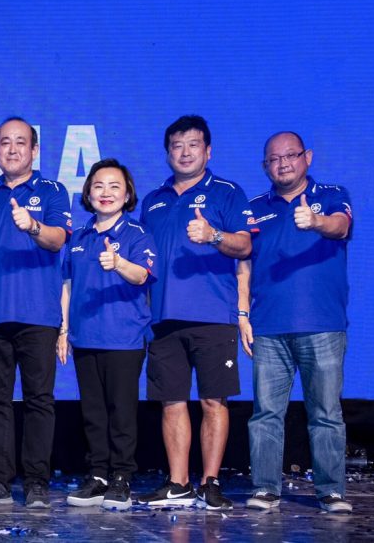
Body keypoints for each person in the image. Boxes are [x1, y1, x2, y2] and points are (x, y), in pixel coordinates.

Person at [137, 115, 253, 511]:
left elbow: (245, 246)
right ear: (167, 152)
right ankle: (178, 483)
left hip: (213, 316)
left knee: (212, 401)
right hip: (163, 317)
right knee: (171, 401)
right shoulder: (153, 200)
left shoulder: (227, 192)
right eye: (177, 146)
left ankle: (211, 483)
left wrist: (213, 235)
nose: (185, 152)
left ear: (208, 151)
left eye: (193, 145)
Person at [0, 117, 71, 509]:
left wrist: (33, 225)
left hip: (38, 315)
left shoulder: (52, 191)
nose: (12, 149)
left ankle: (37, 483)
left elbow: (57, 240)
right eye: (4, 142)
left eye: (20, 142)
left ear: (34, 150)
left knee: (39, 400)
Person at [241, 132, 354, 514]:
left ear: (308, 157)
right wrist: (243, 315)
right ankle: (265, 488)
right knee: (265, 415)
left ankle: (331, 491)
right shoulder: (254, 208)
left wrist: (316, 221)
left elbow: (340, 226)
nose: (283, 164)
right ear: (265, 166)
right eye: (274, 159)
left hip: (323, 325)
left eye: (290, 156)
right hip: (268, 327)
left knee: (325, 414)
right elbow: (243, 265)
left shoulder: (332, 195)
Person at [60, 159, 156, 511]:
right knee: (93, 412)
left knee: (121, 412)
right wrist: (63, 330)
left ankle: (121, 477)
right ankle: (98, 475)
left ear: (127, 194)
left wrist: (118, 263)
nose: (106, 193)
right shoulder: (79, 237)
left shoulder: (137, 234)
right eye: (98, 186)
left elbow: (142, 275)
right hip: (85, 337)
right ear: (88, 193)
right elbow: (67, 285)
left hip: (123, 339)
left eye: (115, 186)